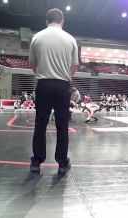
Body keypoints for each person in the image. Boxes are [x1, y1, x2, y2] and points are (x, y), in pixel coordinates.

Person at [29, 8, 79, 174]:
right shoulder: (70, 39)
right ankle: (62, 164)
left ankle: (36, 161)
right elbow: (74, 65)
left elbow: (32, 64)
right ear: (62, 21)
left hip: (43, 84)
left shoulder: (37, 37)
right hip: (62, 86)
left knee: (40, 124)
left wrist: (43, 75)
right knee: (62, 126)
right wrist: (65, 77)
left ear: (46, 21)